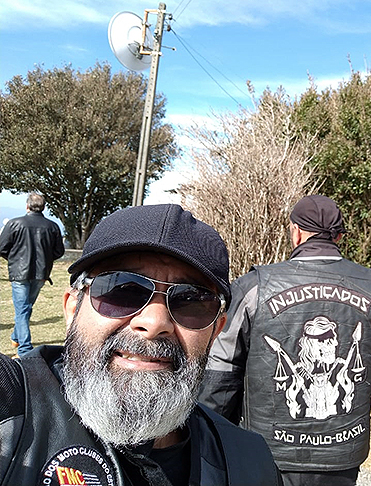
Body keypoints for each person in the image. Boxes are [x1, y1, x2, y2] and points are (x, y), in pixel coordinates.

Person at [0, 204, 281, 486]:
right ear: (73, 309)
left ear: (216, 331)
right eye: (122, 290)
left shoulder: (249, 462)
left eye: (190, 300)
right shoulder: (11, 408)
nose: (155, 322)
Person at [200, 194, 371, 486]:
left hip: (267, 451)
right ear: (339, 237)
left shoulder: (254, 288)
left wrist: (212, 439)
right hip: (342, 454)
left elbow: (220, 377)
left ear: (295, 232)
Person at [0, 193, 65, 357]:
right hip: (41, 273)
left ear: (27, 206)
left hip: (19, 273)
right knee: (25, 307)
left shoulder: (15, 223)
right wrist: (46, 259)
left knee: (23, 309)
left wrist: (14, 259)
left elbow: (2, 247)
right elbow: (59, 251)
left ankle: (24, 349)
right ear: (43, 207)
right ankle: (16, 337)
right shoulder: (52, 226)